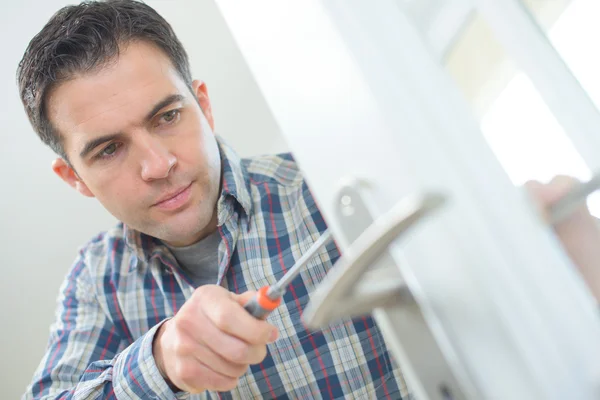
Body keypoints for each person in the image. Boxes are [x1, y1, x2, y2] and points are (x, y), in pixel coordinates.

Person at [17, 1, 600, 399]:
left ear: (204, 106)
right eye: (109, 150)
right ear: (75, 178)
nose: (158, 165)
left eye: (167, 117)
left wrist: (554, 266)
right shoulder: (96, 280)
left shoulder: (336, 186)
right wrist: (161, 360)